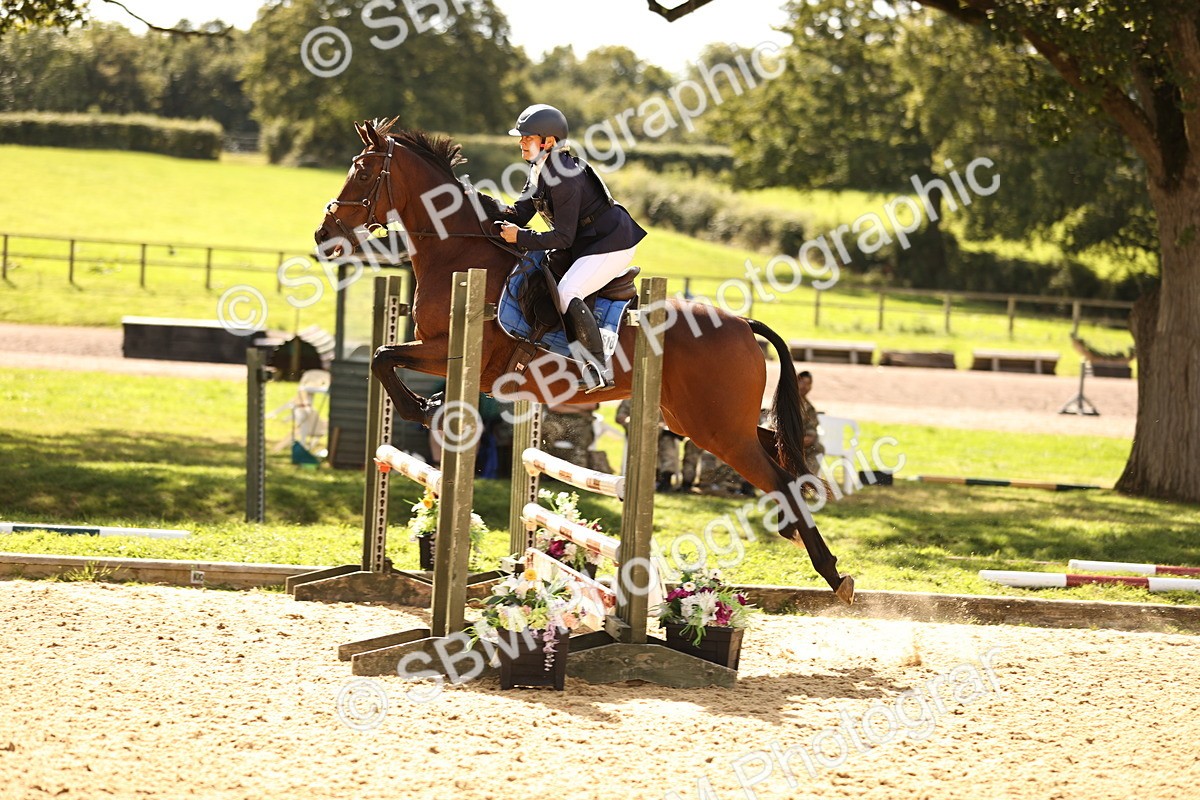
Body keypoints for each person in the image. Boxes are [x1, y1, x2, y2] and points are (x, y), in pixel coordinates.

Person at [495, 104, 647, 392]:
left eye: (527, 138)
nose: (521, 143)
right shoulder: (539, 168)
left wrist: (521, 238)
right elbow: (519, 213)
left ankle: (598, 368)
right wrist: (478, 204)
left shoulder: (564, 176)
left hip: (611, 244)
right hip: (586, 244)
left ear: (548, 142)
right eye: (522, 138)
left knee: (568, 291)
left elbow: (562, 237)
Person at [796, 370, 826, 474]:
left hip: (801, 442)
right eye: (803, 383)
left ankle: (805, 482)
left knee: (818, 448)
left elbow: (812, 425)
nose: (805, 387)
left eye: (808, 384)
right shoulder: (786, 400)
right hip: (785, 440)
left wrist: (811, 436)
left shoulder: (809, 407)